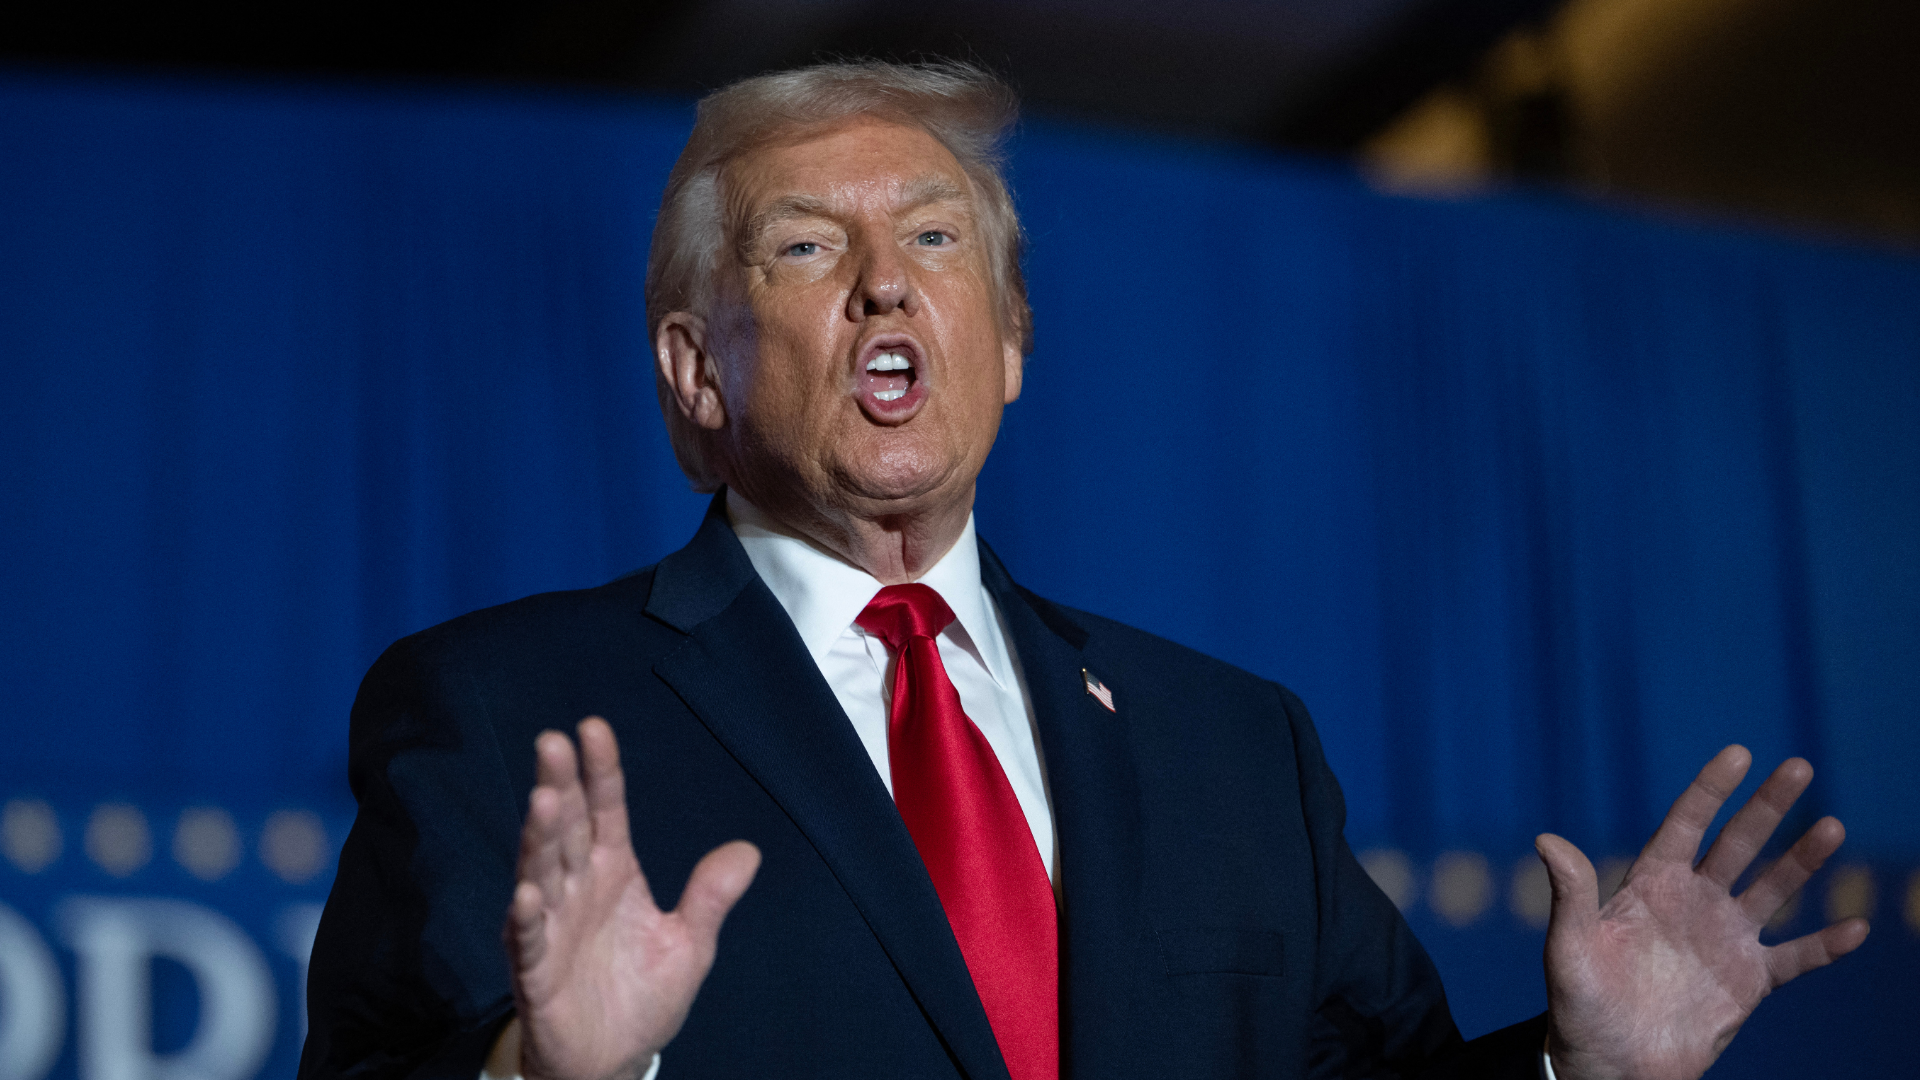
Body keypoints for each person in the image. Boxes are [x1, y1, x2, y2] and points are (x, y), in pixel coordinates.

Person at [299, 61, 1867, 1080]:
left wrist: (1575, 1071)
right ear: (697, 377)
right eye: (801, 248)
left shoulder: (1233, 745)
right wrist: (546, 1076)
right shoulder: (510, 713)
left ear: (1014, 342)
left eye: (935, 242)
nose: (880, 287)